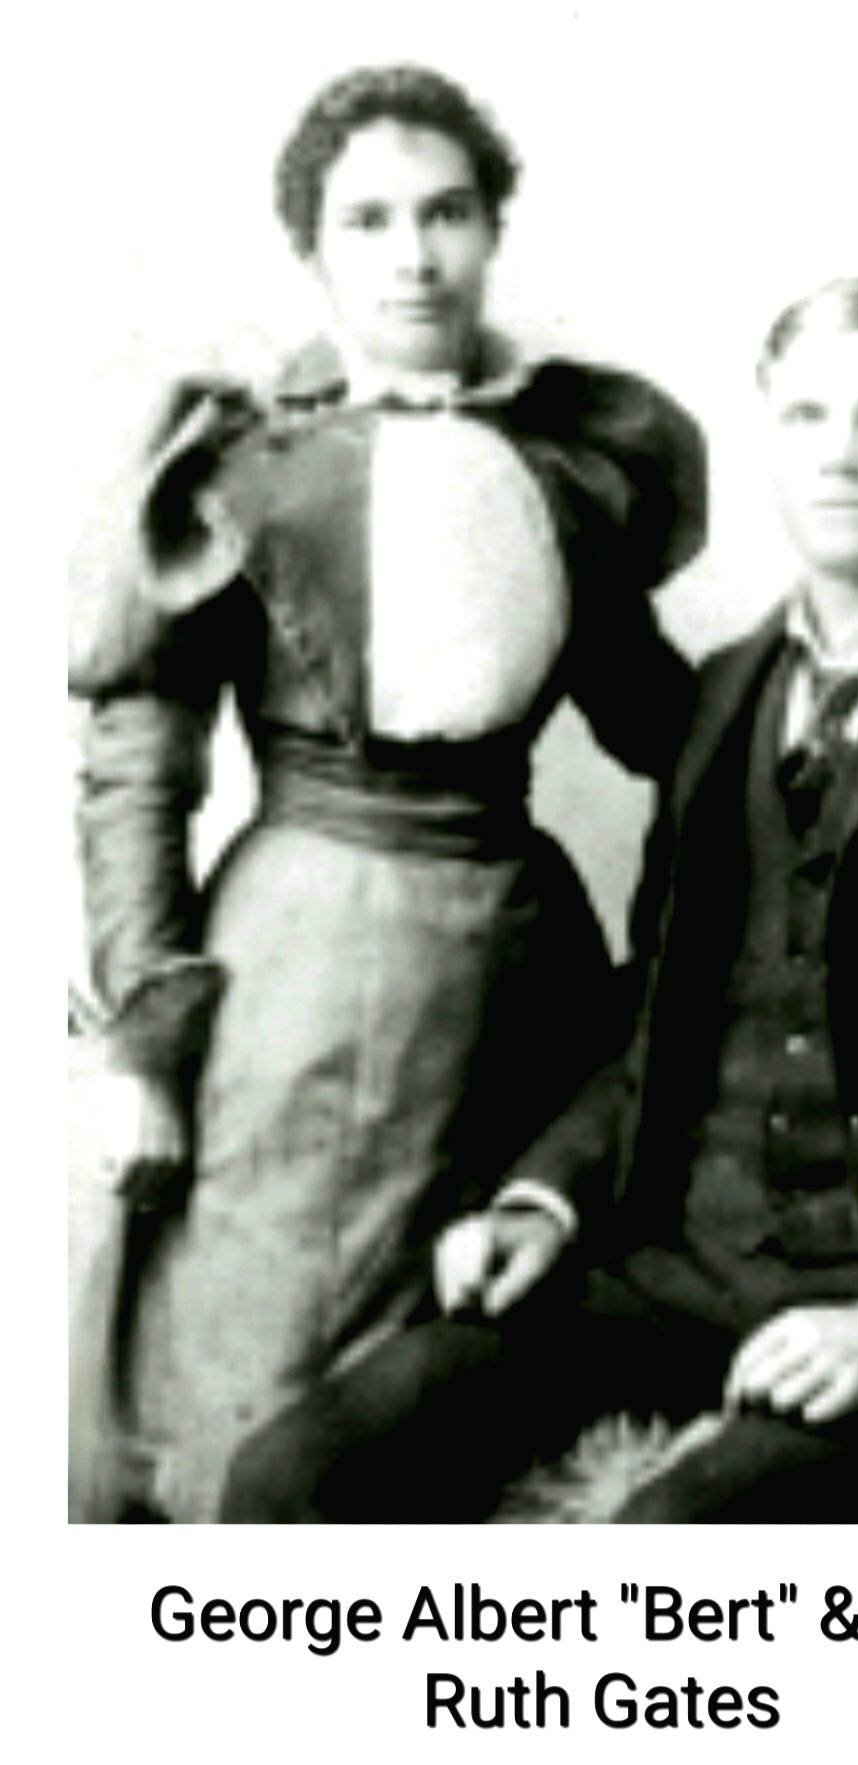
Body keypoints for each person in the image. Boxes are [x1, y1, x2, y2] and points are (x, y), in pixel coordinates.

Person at [221, 275, 858, 1524]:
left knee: (672, 1541)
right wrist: (541, 1198)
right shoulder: (720, 696)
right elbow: (645, 1017)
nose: (838, 454)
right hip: (676, 1271)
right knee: (290, 1477)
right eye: (805, 416)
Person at [68, 63, 705, 1522]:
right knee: (257, 1390)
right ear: (311, 249)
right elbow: (135, 772)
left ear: (492, 230)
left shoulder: (567, 467)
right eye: (367, 221)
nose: (414, 256)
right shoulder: (241, 468)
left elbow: (667, 726)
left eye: (446, 213)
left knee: (457, 1390)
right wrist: (145, 1045)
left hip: (519, 976)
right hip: (293, 978)